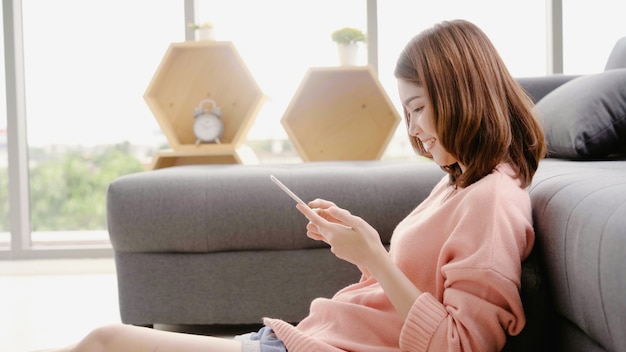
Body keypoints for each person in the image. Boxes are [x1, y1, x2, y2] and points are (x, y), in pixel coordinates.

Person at [38, 19, 546, 352]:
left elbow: (461, 345)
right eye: (407, 111)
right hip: (302, 338)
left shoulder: (492, 200)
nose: (412, 129)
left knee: (104, 341)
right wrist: (363, 247)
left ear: (460, 95)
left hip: (303, 348)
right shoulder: (462, 183)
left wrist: (373, 258)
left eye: (417, 109)